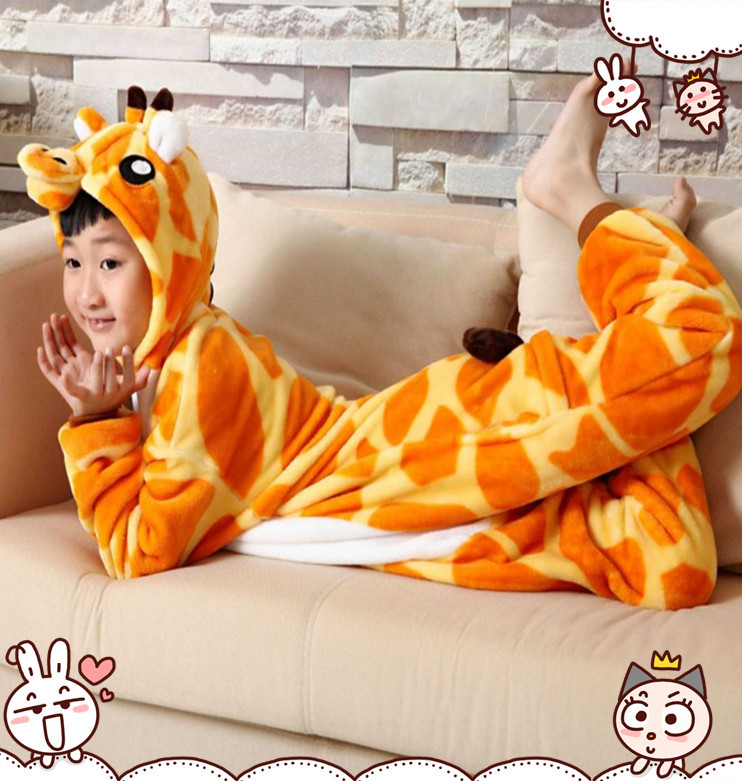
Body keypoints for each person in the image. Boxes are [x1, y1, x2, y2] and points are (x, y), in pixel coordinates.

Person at [23, 73, 742, 609]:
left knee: (701, 337)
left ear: (169, 260)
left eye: (111, 263)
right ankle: (637, 272)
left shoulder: (201, 363)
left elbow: (142, 550)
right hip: (434, 497)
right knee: (672, 566)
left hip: (426, 445)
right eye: (73, 263)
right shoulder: (154, 367)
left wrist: (96, 427)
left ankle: (570, 191)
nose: (86, 293)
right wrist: (107, 412)